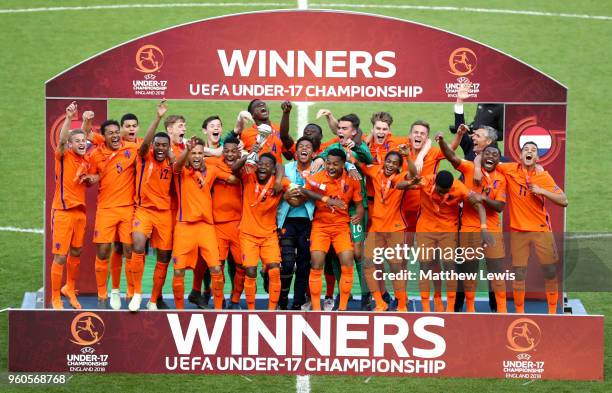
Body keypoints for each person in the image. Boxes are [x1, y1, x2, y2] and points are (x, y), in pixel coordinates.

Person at [490, 141, 568, 314]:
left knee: (549, 270)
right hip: (518, 231)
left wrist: (542, 191)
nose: (529, 152)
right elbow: (487, 159)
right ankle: (520, 312)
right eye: (526, 149)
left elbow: (564, 200)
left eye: (533, 150)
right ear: (520, 155)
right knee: (519, 273)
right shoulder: (509, 169)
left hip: (541, 230)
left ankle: (552, 313)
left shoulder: (543, 177)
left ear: (537, 158)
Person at [438, 133, 508, 313]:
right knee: (469, 272)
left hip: (492, 229)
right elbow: (451, 157)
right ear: (481, 157)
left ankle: (501, 310)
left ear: (498, 160)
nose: (491, 157)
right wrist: (442, 142)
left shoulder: (501, 178)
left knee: (496, 271)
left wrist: (482, 197)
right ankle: (470, 310)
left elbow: (499, 206)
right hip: (469, 228)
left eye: (495, 155)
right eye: (488, 154)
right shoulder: (470, 168)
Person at [313, 114, 373, 310]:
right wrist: (320, 160)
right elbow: (324, 155)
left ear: (354, 132)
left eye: (345, 128)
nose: (340, 131)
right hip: (335, 212)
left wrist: (351, 157)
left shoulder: (360, 146)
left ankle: (367, 294)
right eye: (339, 128)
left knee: (357, 253)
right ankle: (342, 293)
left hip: (355, 208)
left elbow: (367, 158)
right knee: (337, 254)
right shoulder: (334, 147)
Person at [412, 169, 491, 312]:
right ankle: (426, 307)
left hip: (448, 230)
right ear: (435, 183)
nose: (443, 194)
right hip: (426, 229)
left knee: (449, 266)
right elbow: (403, 183)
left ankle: (449, 307)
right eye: (441, 191)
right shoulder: (426, 181)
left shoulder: (460, 188)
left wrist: (484, 228)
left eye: (446, 191)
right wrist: (409, 181)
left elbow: (479, 206)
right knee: (425, 267)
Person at [171, 137, 236, 309]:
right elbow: (177, 165)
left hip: (206, 227)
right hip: (184, 226)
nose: (197, 156)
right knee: (178, 271)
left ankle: (218, 309)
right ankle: (179, 311)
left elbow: (232, 179)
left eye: (200, 153)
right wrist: (186, 150)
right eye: (193, 153)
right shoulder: (181, 172)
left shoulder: (212, 169)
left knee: (215, 268)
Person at [298, 148, 364, 311]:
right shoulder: (318, 178)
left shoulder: (351, 180)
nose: (331, 167)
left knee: (348, 263)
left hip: (341, 227)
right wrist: (327, 200)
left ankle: (342, 309)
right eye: (328, 163)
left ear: (343, 164)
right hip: (320, 227)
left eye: (335, 164)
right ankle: (316, 308)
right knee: (316, 264)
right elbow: (304, 190)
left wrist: (360, 214)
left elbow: (359, 205)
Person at [49, 102, 98, 309]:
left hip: (80, 213)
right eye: (76, 140)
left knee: (76, 252)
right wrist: (69, 117)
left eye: (83, 140)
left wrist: (91, 178)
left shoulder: (86, 160)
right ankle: (54, 297)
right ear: (70, 144)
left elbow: (95, 177)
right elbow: (61, 140)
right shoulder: (63, 155)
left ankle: (69, 288)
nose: (81, 143)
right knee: (60, 256)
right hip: (62, 212)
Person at [127, 100, 173, 312]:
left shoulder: (171, 163)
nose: (160, 149)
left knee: (164, 256)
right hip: (144, 211)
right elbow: (145, 143)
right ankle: (137, 293)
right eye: (158, 145)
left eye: (165, 145)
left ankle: (153, 300)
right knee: (137, 245)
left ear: (169, 147)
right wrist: (158, 118)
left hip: (164, 214)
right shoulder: (145, 156)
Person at [88, 118, 139, 309]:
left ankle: (130, 292)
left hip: (127, 209)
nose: (115, 135)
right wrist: (90, 179)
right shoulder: (96, 154)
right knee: (103, 252)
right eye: (110, 133)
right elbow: (93, 177)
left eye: (117, 131)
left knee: (128, 251)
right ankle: (103, 294)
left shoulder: (132, 149)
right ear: (104, 137)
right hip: (106, 209)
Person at [233, 152, 293, 310]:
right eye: (260, 164)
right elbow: (234, 169)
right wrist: (248, 156)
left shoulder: (279, 181)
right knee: (250, 271)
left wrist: (287, 192)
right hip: (248, 235)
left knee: (274, 270)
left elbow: (296, 191)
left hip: (269, 236)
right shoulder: (249, 176)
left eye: (267, 165)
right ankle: (251, 310)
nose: (262, 167)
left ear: (273, 170)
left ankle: (272, 310)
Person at [358, 151, 417, 311]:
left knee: (396, 268)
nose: (390, 165)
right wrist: (351, 162)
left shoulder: (400, 177)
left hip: (395, 229)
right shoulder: (375, 171)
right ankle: (380, 302)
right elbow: (360, 164)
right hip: (376, 228)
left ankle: (402, 304)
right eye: (388, 161)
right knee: (368, 264)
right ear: (384, 161)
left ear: (399, 166)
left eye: (394, 163)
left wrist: (408, 157)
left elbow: (413, 173)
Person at [277, 137, 317, 310]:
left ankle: (297, 302)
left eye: (308, 147)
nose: (304, 149)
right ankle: (283, 297)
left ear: (314, 153)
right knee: (287, 263)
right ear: (295, 152)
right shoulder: (284, 169)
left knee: (303, 264)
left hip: (308, 223)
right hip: (287, 221)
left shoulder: (319, 170)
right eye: (301, 146)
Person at [210, 136, 245, 309]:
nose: (230, 154)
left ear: (239, 151)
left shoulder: (246, 166)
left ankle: (235, 300)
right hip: (218, 225)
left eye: (233, 151)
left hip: (239, 225)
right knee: (218, 266)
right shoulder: (213, 164)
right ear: (222, 151)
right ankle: (218, 301)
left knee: (241, 265)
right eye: (226, 151)